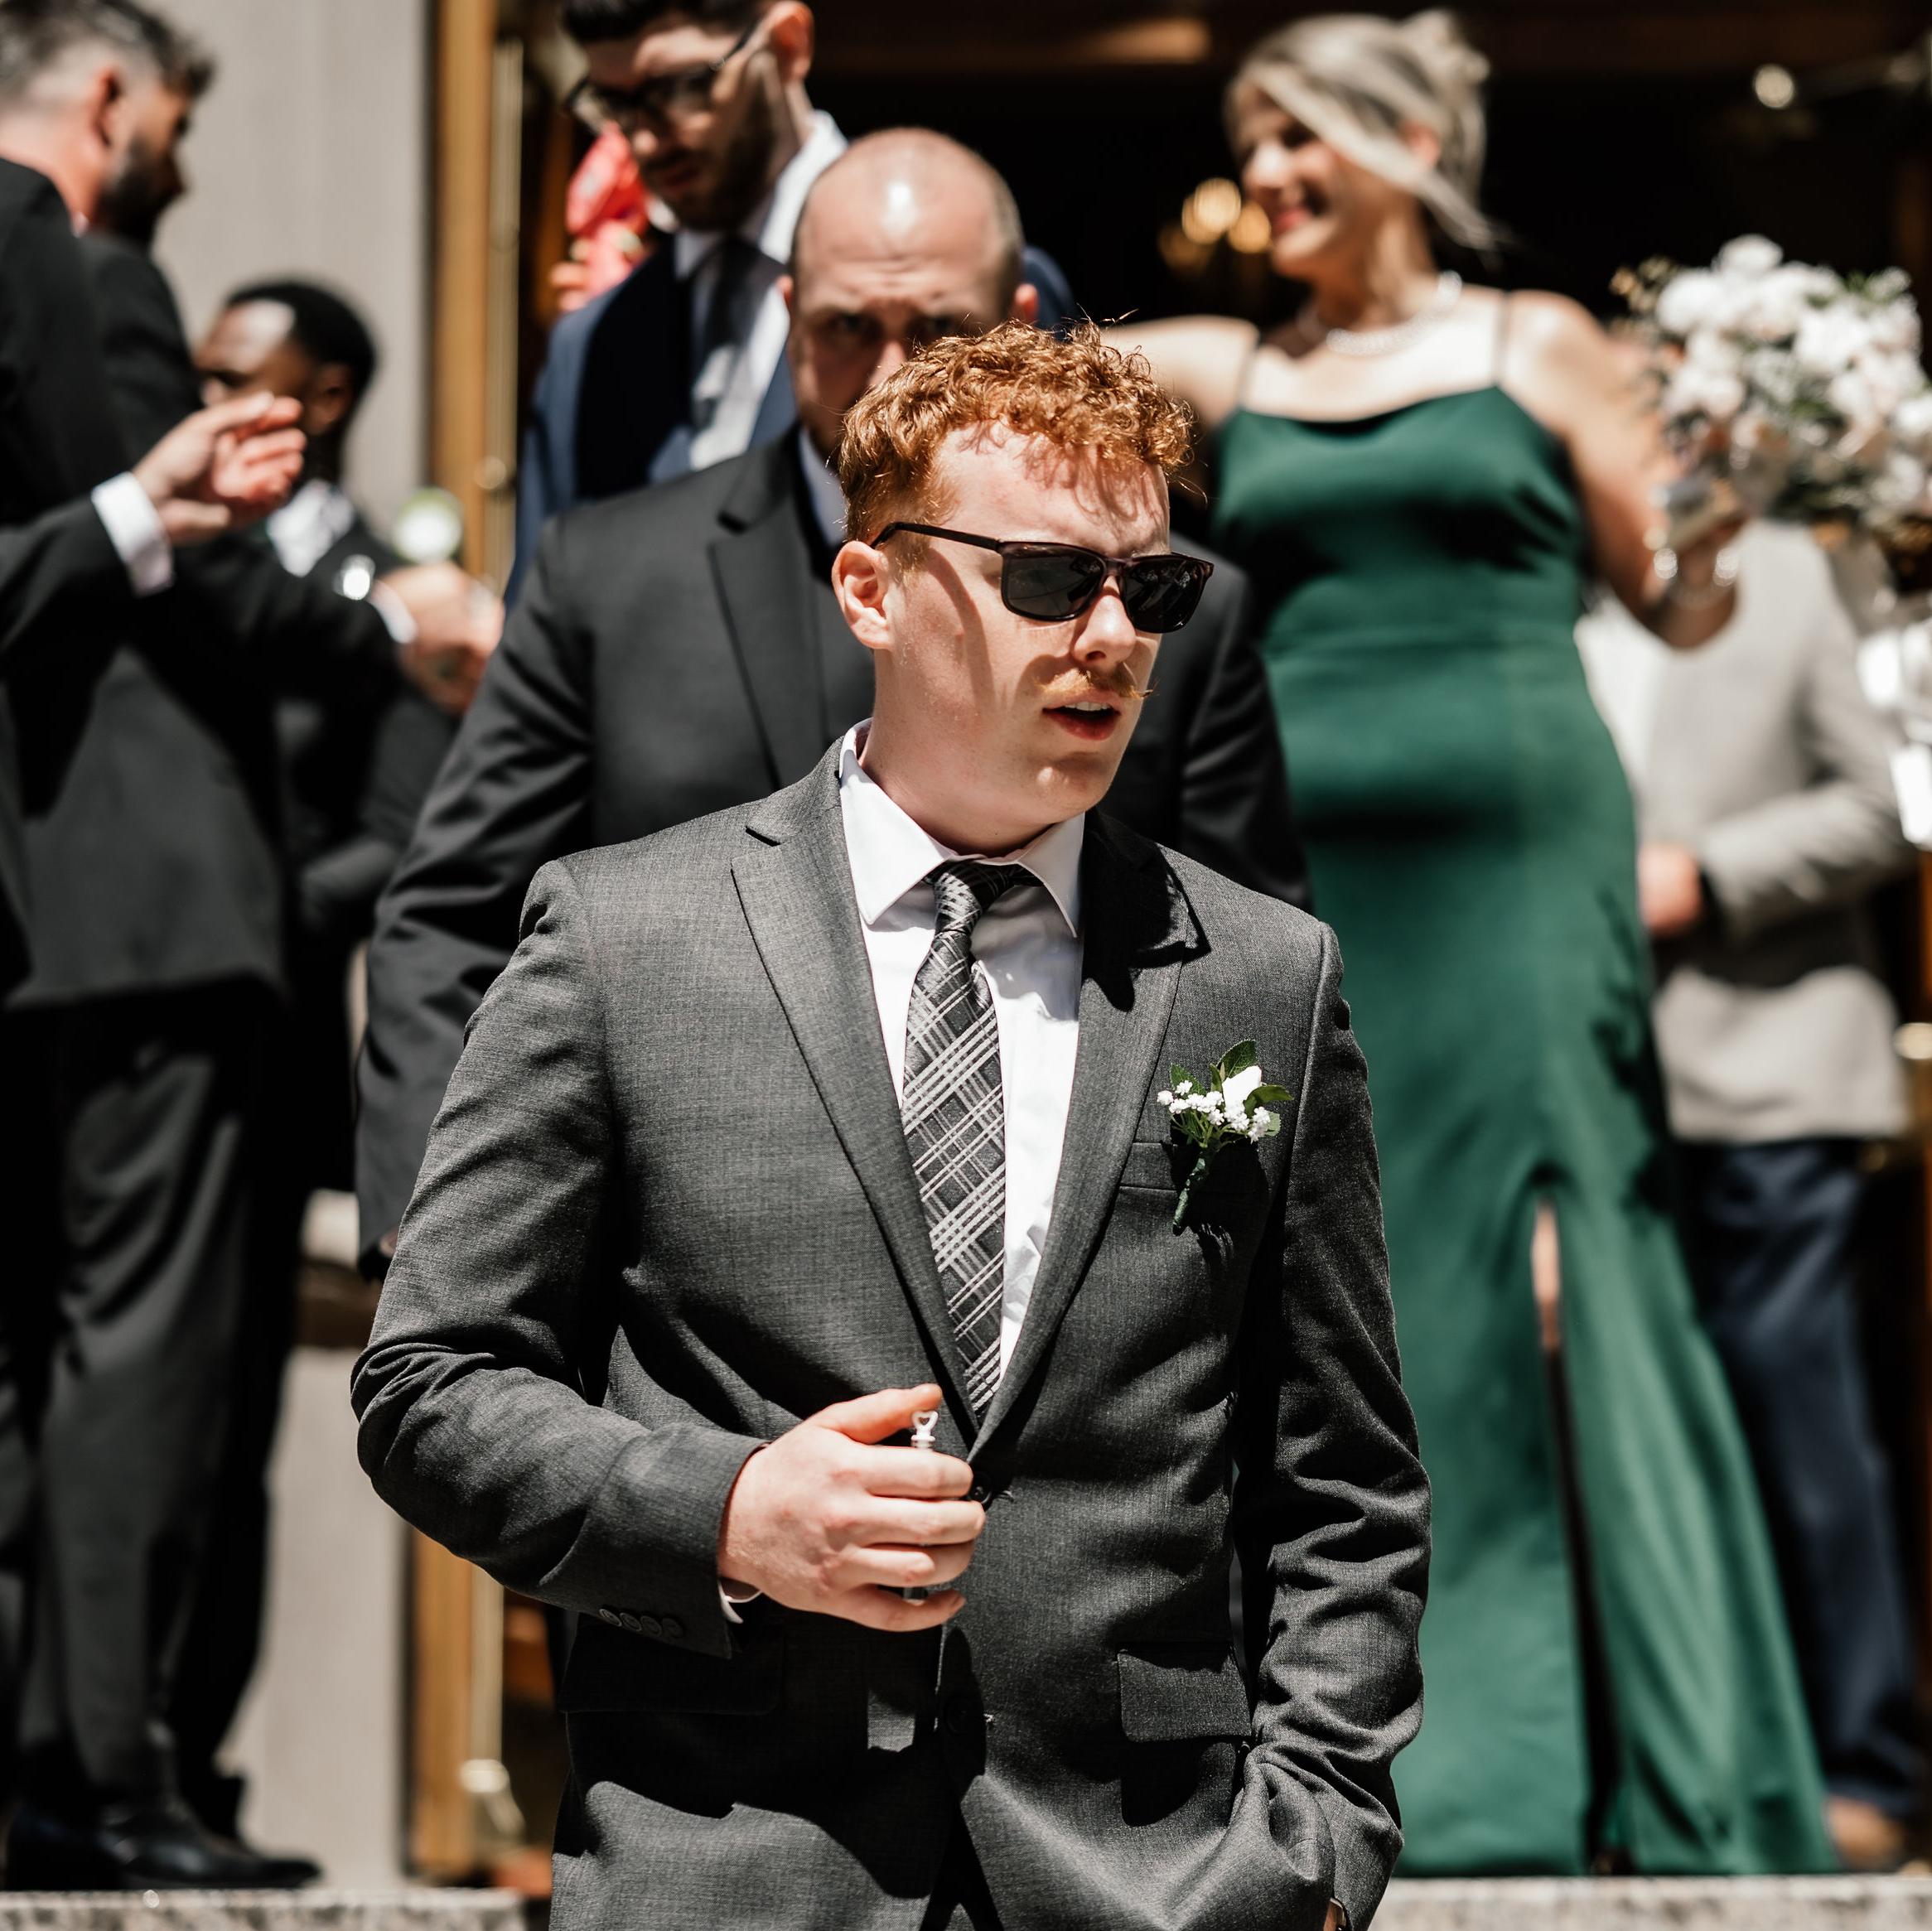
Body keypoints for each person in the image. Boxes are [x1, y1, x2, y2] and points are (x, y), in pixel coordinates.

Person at [354, 318, 1427, 1931]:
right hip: (730, 1868)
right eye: (1048, 581)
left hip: (1148, 1879)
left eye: (1149, 589)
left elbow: (1339, 1476)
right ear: (870, 589)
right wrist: (726, 1515)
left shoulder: (1258, 977)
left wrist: (1318, 1842)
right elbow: (430, 1387)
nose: (1111, 637)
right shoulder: (623, 940)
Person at [1111, 7, 1833, 1876]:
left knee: (1554, 1268)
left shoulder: (1540, 344)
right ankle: (1353, 1743)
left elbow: (1676, 604)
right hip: (1294, 870)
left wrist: (1744, 485)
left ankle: (1614, 1763)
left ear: (1411, 145)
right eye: (1254, 140)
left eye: (1302, 137)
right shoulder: (1225, 366)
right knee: (1333, 1257)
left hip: (1519, 867)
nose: (1265, 174)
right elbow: (1002, 359)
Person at [355, 129, 1309, 1277]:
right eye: (847, 326)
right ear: (788, 314)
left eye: (937, 329)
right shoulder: (607, 577)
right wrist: (438, 1233)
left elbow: (1239, 979)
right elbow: (456, 912)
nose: (888, 369)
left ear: (1019, 317)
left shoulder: (1162, 611)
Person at [0, 0, 497, 1890]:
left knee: (63, 1355)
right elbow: (192, 575)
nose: (184, 166)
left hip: (50, 915)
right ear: (112, 96)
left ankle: (84, 1766)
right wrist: (401, 634)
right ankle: (100, 1778)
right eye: (179, 124)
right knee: (141, 1364)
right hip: (150, 914)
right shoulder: (81, 270)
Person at [155, 278, 461, 1851]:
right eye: (198, 376)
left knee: (212, 1421)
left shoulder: (381, 591)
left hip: (259, 1041)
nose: (204, 401)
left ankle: (183, 1763)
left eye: (239, 378)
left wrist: (234, 904)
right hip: (116, 1042)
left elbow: (398, 838)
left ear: (326, 397)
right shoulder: (165, 542)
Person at [1578, 523, 1925, 1869]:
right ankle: (1694, 1774)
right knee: (1639, 1434)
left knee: (1796, 1417)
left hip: (1773, 1081)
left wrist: (1708, 874)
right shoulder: (1531, 587)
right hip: (1594, 1094)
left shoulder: (1790, 572)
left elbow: (1884, 804)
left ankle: (1863, 1765)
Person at [515, 0, 1073, 589]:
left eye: (681, 87)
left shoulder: (987, 286)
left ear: (786, 46)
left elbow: (1046, 566)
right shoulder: (589, 343)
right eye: (616, 104)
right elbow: (543, 606)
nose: (646, 140)